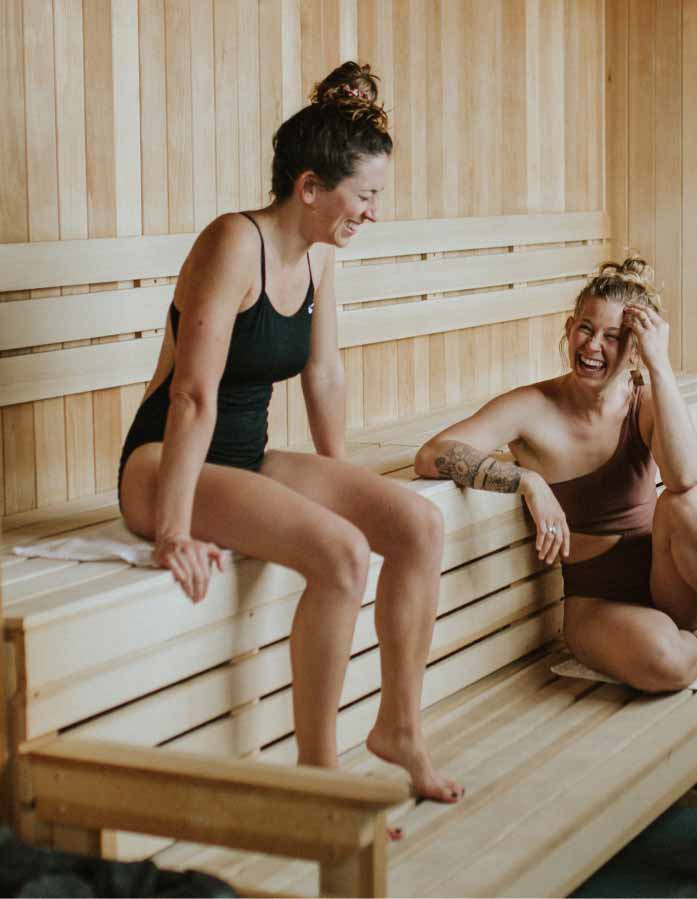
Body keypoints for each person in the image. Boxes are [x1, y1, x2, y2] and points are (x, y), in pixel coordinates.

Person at [118, 62, 462, 801]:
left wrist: (351, 485)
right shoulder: (232, 244)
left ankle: (400, 727)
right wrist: (172, 529)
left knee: (416, 523)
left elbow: (324, 375)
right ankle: (320, 781)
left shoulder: (318, 258)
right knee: (339, 553)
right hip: (163, 464)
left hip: (243, 459)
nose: (373, 212)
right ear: (309, 187)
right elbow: (191, 393)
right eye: (365, 196)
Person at [415, 257, 697, 693]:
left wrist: (660, 367)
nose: (593, 347)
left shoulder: (644, 401)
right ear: (570, 327)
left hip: (667, 580)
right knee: (665, 666)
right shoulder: (533, 407)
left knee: (689, 501)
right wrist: (527, 481)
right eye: (586, 329)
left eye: (613, 337)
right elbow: (433, 454)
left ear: (634, 348)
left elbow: (685, 475)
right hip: (596, 603)